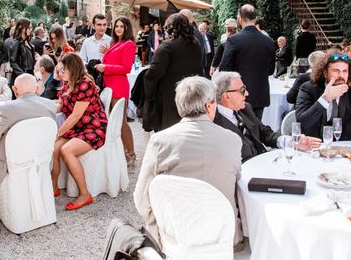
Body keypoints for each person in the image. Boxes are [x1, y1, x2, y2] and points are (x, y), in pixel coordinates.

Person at [134, 76, 242, 245]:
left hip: (176, 238)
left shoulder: (160, 141)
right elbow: (237, 188)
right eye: (215, 102)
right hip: (223, 238)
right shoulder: (232, 139)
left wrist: (160, 226)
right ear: (208, 106)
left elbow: (141, 198)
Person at [213, 71, 320, 162]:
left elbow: (265, 133)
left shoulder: (245, 109)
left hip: (261, 161)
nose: (247, 93)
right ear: (226, 96)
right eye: (242, 90)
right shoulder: (213, 120)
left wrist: (292, 142)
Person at [51, 53, 107, 210]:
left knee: (66, 150)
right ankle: (53, 186)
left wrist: (58, 133)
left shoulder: (85, 84)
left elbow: (75, 116)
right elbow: (60, 106)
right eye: (60, 69)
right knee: (54, 149)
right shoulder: (67, 84)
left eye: (63, 69)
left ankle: (84, 194)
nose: (61, 72)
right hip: (77, 128)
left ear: (73, 68)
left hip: (93, 127)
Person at [0, 73, 56, 188]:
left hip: (14, 163)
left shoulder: (8, 109)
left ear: (14, 89)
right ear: (37, 88)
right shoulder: (50, 105)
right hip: (41, 158)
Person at [143, 13, 204, 132]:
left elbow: (154, 74)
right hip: (192, 94)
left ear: (169, 28)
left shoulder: (166, 47)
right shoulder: (195, 44)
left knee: (170, 130)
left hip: (171, 96)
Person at [219, 4, 275, 121]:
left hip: (237, 93)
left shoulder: (233, 40)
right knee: (256, 130)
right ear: (255, 19)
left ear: (239, 19)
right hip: (260, 93)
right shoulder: (269, 41)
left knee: (239, 131)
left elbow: (224, 69)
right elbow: (270, 70)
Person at [295, 50, 351, 140]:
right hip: (313, 146)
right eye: (336, 71)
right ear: (325, 73)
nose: (341, 75)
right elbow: (302, 123)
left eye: (345, 71)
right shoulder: (308, 89)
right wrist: (325, 99)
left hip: (343, 148)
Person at [95, 16, 137, 164]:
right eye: (116, 26)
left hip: (118, 86)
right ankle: (123, 152)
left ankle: (131, 154)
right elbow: (112, 60)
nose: (118, 29)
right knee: (114, 122)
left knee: (121, 122)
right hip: (109, 86)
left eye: (121, 26)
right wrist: (108, 52)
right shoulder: (115, 43)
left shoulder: (129, 44)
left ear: (127, 28)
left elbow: (126, 68)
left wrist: (106, 67)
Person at [9, 18, 35, 84]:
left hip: (29, 74)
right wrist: (23, 75)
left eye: (31, 28)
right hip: (21, 76)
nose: (31, 30)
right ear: (22, 28)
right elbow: (13, 62)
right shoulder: (16, 42)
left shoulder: (28, 42)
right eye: (29, 27)